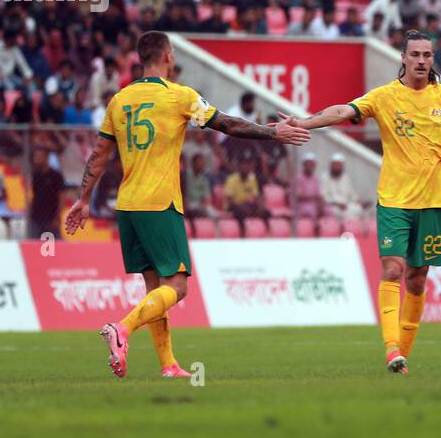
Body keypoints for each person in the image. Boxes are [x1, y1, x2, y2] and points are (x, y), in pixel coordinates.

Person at [65, 31, 311, 379]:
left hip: (128, 205)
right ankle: (121, 329)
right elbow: (225, 124)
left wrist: (82, 199)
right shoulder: (179, 96)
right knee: (178, 287)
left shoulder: (120, 100)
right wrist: (273, 133)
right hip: (160, 203)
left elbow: (99, 153)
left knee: (156, 289)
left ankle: (168, 365)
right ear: (167, 56)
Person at [288, 30, 441, 373]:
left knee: (417, 277)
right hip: (394, 200)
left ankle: (403, 359)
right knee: (393, 269)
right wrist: (305, 122)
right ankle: (391, 348)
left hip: (431, 202)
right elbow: (343, 110)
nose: (422, 61)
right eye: (415, 55)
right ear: (403, 58)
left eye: (427, 55)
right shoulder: (384, 97)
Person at [27, 147, 66, 240]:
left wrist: (57, 217)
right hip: (36, 216)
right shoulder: (35, 175)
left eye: (39, 156)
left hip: (51, 217)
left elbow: (61, 197)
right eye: (35, 156)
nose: (36, 159)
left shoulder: (56, 176)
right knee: (34, 244)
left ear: (46, 157)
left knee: (54, 245)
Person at [321, 152, 362, 219]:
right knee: (336, 212)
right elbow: (324, 196)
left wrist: (357, 201)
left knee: (358, 209)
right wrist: (336, 203)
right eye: (335, 165)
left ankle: (351, 228)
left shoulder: (345, 178)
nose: (337, 167)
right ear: (331, 165)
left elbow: (351, 193)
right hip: (332, 205)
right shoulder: (325, 177)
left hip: (346, 205)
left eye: (339, 165)